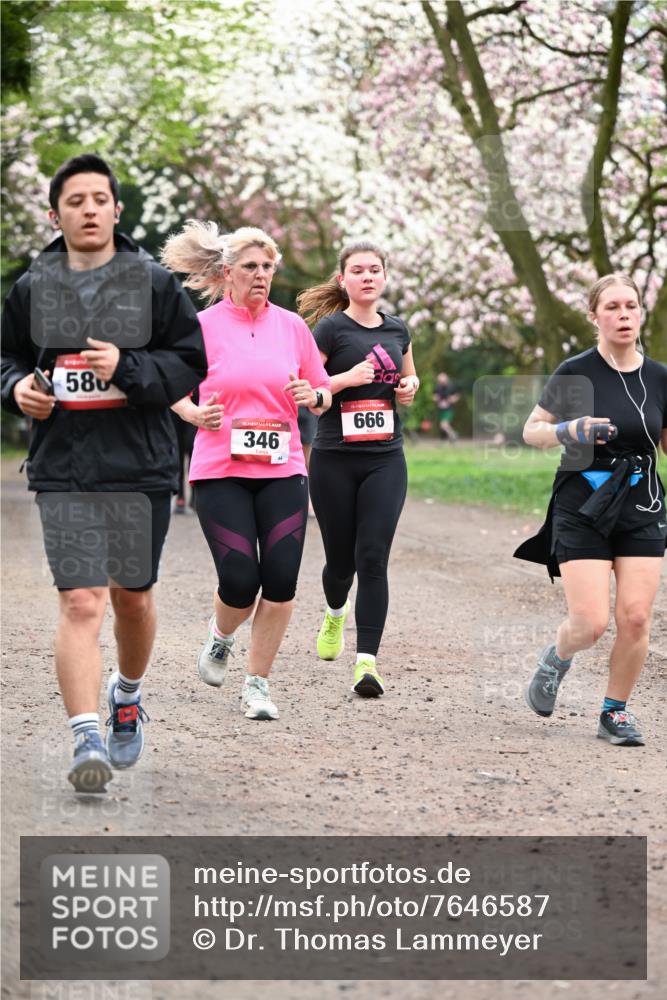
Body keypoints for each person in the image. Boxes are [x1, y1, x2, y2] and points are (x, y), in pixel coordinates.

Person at [0, 153, 207, 792]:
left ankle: (127, 694)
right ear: (56, 213)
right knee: (80, 599)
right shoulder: (35, 285)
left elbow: (190, 362)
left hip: (140, 465)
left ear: (117, 210)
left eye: (99, 199)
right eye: (74, 200)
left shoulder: (151, 283)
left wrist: (128, 367)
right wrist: (15, 391)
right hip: (64, 467)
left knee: (131, 598)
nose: (88, 209)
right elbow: (5, 356)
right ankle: (86, 734)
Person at [162, 222, 331, 721]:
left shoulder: (293, 327)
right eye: (251, 267)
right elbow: (170, 384)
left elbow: (321, 393)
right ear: (227, 272)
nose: (261, 275)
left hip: (283, 469)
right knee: (239, 580)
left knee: (280, 581)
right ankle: (220, 638)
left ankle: (256, 684)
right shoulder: (202, 326)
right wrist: (193, 414)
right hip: (220, 469)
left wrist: (313, 397)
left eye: (267, 267)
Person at [515, 273, 667, 746]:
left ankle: (614, 712)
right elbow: (531, 430)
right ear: (594, 316)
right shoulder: (575, 372)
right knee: (591, 623)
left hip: (642, 501)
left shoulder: (661, 377)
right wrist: (569, 429)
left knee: (637, 617)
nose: (624, 315)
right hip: (583, 501)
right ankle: (557, 658)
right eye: (613, 307)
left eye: (632, 306)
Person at [297, 240, 419, 697]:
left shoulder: (398, 330)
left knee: (373, 556)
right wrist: (348, 380)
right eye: (358, 270)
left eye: (375, 270)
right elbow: (309, 389)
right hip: (334, 458)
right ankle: (333, 612)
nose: (368, 277)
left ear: (384, 277)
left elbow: (409, 377)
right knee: (340, 562)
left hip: (385, 458)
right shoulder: (330, 330)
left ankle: (366, 663)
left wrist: (408, 387)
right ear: (342, 279)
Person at [433, 371, 459, 442]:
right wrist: (436, 398)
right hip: (441, 409)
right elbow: (434, 396)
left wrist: (451, 399)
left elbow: (456, 396)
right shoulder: (438, 387)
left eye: (442, 381)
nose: (441, 383)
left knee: (443, 425)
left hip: (449, 409)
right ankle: (449, 437)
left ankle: (453, 435)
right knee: (443, 426)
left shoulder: (451, 386)